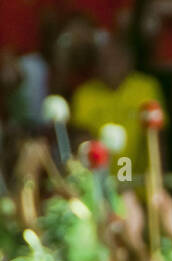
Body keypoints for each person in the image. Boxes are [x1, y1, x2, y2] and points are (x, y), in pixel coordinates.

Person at [70, 32, 165, 174]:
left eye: (116, 58)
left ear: (129, 60)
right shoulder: (84, 93)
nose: (110, 65)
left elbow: (156, 138)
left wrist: (158, 175)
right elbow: (82, 140)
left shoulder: (146, 88)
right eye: (104, 60)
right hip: (100, 179)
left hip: (137, 179)